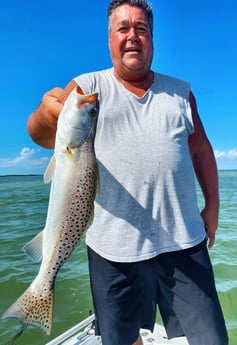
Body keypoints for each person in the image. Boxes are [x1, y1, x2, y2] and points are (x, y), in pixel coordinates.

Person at [27, 1, 228, 344]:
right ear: (109, 39)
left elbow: (201, 149)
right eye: (123, 28)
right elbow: (41, 133)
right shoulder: (88, 88)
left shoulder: (181, 93)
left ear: (152, 39)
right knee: (121, 339)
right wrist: (48, 115)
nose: (132, 36)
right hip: (113, 250)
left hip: (184, 241)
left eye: (141, 29)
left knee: (210, 339)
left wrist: (213, 205)